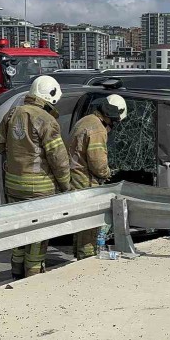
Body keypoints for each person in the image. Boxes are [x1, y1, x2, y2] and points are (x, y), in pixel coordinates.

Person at [0, 76, 71, 279]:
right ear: (50, 96)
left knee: (19, 228)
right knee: (38, 234)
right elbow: (59, 159)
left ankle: (16, 272)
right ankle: (33, 276)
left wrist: (15, 158)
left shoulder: (13, 113)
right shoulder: (47, 120)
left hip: (13, 185)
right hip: (40, 189)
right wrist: (66, 186)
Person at [68, 94, 128, 259]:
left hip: (75, 178)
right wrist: (108, 173)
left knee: (81, 223)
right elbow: (98, 164)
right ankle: (86, 257)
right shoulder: (97, 129)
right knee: (90, 223)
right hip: (85, 181)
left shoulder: (85, 120)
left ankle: (79, 254)